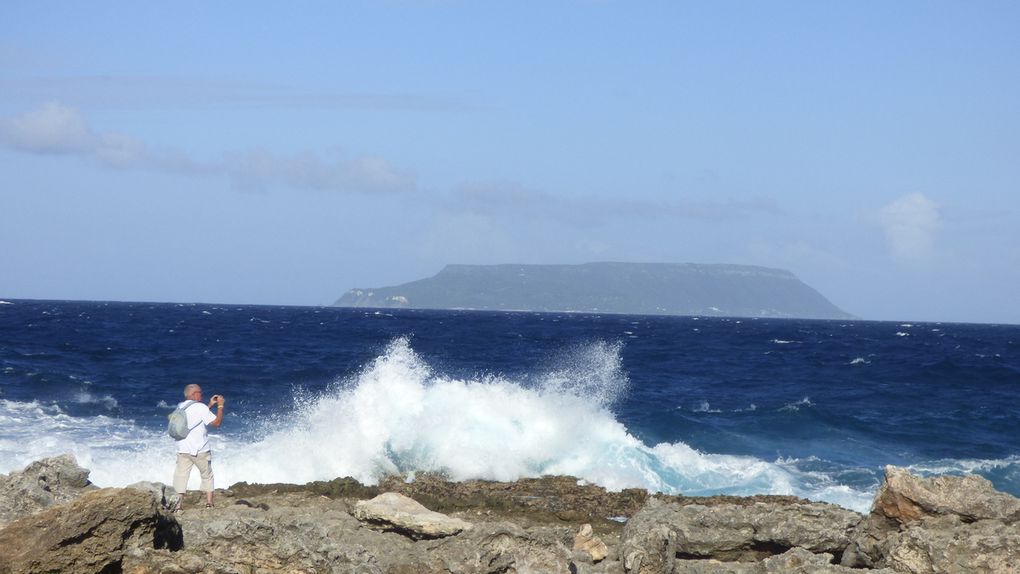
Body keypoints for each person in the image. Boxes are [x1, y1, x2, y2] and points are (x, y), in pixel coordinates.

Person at [171, 383, 224, 511]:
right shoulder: (200, 407)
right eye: (200, 392)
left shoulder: (180, 406)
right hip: (200, 449)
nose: (202, 394)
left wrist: (210, 405)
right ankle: (209, 503)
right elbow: (216, 423)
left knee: (181, 476)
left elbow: (196, 416)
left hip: (182, 448)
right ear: (194, 394)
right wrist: (220, 405)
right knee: (207, 475)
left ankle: (178, 506)